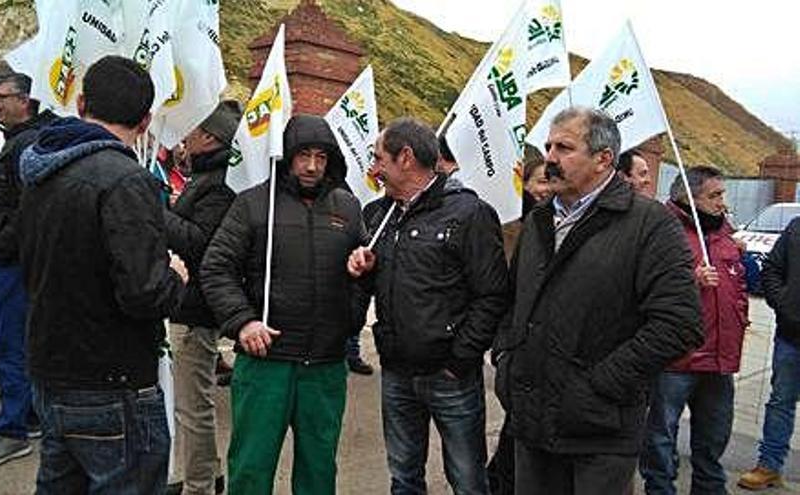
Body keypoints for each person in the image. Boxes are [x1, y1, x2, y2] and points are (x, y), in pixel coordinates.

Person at [492, 107, 704, 494]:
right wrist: (507, 359)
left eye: (564, 147)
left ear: (603, 159)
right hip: (531, 421)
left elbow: (679, 324)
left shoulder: (650, 225)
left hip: (599, 432)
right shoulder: (539, 222)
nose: (550, 157)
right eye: (548, 146)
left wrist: (597, 385)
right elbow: (513, 302)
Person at [17, 55, 187, 493]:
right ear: (147, 119)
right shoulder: (128, 181)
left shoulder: (40, 172)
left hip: (51, 373)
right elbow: (144, 293)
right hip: (113, 382)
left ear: (80, 103)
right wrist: (175, 276)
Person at [199, 114, 365, 494]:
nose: (311, 166)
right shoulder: (253, 205)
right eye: (303, 155)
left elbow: (364, 268)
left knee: (319, 468)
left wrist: (352, 313)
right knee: (251, 468)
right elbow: (216, 267)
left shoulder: (348, 208)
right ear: (286, 156)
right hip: (265, 364)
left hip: (324, 365)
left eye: (321, 157)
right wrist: (242, 322)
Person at [347, 118, 509, 494]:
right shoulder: (378, 214)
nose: (373, 170)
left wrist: (460, 359)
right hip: (397, 372)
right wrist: (363, 270)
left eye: (378, 159)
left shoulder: (469, 214)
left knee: (467, 479)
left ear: (405, 157)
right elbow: (378, 287)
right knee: (404, 477)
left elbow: (493, 294)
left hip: (449, 376)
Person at [0, 72, 57, 470]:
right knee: (21, 344)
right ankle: (30, 416)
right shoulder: (22, 141)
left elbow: (29, 211)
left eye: (1, 97)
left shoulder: (29, 145)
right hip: (12, 262)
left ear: (26, 101)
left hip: (14, 265)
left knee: (10, 347)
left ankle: (11, 431)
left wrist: (1, 246)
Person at [640, 166, 748, 494]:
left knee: (714, 438)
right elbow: (643, 285)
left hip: (719, 359)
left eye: (722, 195)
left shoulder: (726, 235)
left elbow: (740, 287)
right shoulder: (663, 231)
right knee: (661, 437)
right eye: (714, 195)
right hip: (676, 359)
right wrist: (691, 279)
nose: (722, 203)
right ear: (689, 197)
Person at [164, 99, 242, 495]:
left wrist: (160, 212)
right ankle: (204, 474)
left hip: (195, 309)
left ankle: (199, 486)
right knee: (194, 404)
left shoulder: (219, 184)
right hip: (191, 305)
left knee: (193, 406)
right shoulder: (208, 177)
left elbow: (200, 243)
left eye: (192, 130)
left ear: (210, 138)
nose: (184, 138)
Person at [737, 216, 800, 490]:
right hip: (792, 335)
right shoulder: (797, 227)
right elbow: (772, 270)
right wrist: (784, 305)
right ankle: (769, 465)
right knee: (781, 401)